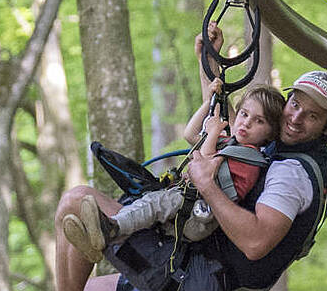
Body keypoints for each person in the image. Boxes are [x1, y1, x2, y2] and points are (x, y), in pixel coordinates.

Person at [34, 68, 327, 291]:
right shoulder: (284, 147)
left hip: (199, 282)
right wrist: (208, 67)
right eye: (295, 104)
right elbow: (227, 123)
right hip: (209, 285)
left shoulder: (291, 174)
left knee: (77, 202)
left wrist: (207, 184)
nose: (297, 117)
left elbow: (256, 243)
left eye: (312, 115)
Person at [62, 81, 285, 258]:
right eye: (244, 114)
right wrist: (208, 103)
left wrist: (214, 132)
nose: (246, 123)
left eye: (258, 121)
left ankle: (112, 228)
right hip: (188, 202)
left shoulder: (250, 159)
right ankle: (98, 243)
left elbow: (202, 163)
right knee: (148, 202)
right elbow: (190, 134)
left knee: (154, 204)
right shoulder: (231, 144)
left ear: (269, 133)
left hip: (199, 217)